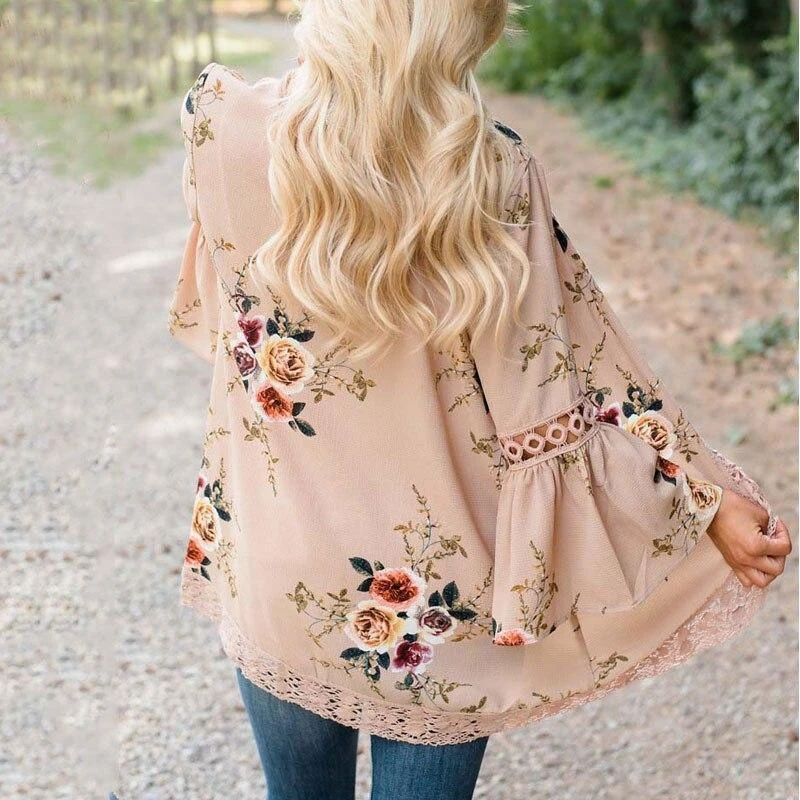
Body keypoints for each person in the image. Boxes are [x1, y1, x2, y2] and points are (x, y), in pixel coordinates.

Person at [168, 2, 792, 798]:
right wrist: (700, 496)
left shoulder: (218, 120)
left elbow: (218, 315)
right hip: (439, 606)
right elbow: (560, 396)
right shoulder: (491, 172)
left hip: (278, 567)